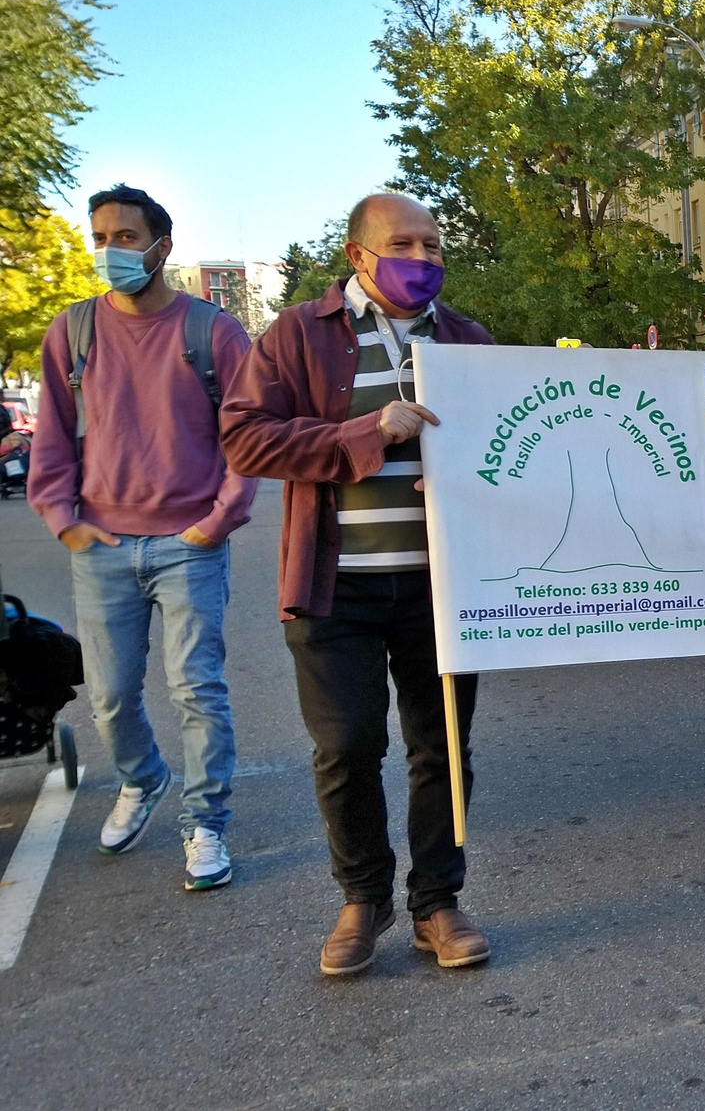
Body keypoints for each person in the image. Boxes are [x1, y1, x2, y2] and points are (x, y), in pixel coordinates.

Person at [220, 193, 497, 975]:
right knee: (345, 744)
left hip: (443, 587)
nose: (424, 257)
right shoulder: (297, 334)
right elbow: (243, 438)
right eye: (403, 244)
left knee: (442, 746)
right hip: (333, 583)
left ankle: (437, 902)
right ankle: (363, 896)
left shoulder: (468, 339)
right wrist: (366, 431)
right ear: (358, 255)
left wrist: (469, 479)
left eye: (433, 245)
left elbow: (506, 448)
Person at [28, 184, 254, 890]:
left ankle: (205, 822)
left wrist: (218, 519)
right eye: (100, 237)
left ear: (162, 246)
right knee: (111, 695)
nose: (110, 251)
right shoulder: (74, 331)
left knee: (196, 689)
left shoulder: (212, 332)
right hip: (102, 545)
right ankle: (142, 777)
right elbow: (52, 435)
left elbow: (247, 436)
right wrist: (64, 519)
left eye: (126, 237)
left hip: (190, 544)